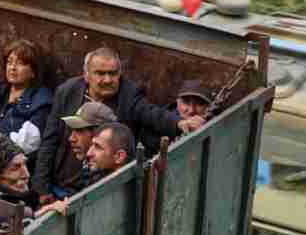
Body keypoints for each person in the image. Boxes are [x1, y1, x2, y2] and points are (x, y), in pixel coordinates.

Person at [32, 47, 204, 196]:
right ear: (86, 75)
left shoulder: (129, 95)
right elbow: (50, 140)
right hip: (58, 185)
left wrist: (179, 123)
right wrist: (42, 189)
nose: (107, 80)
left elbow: (151, 113)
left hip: (96, 189)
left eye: (113, 73)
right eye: (100, 73)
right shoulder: (67, 91)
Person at [0, 39, 52, 153]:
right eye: (9, 62)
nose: (12, 68)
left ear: (33, 71)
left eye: (20, 63)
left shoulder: (41, 100)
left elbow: (23, 144)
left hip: (8, 163)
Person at [39, 101, 117, 200]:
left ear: (100, 133)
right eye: (72, 131)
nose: (71, 138)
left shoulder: (107, 172)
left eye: (79, 130)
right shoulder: (88, 165)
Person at [79, 123, 135, 189]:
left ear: (119, 156)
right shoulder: (97, 179)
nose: (88, 153)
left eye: (98, 147)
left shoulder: (132, 191)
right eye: (92, 145)